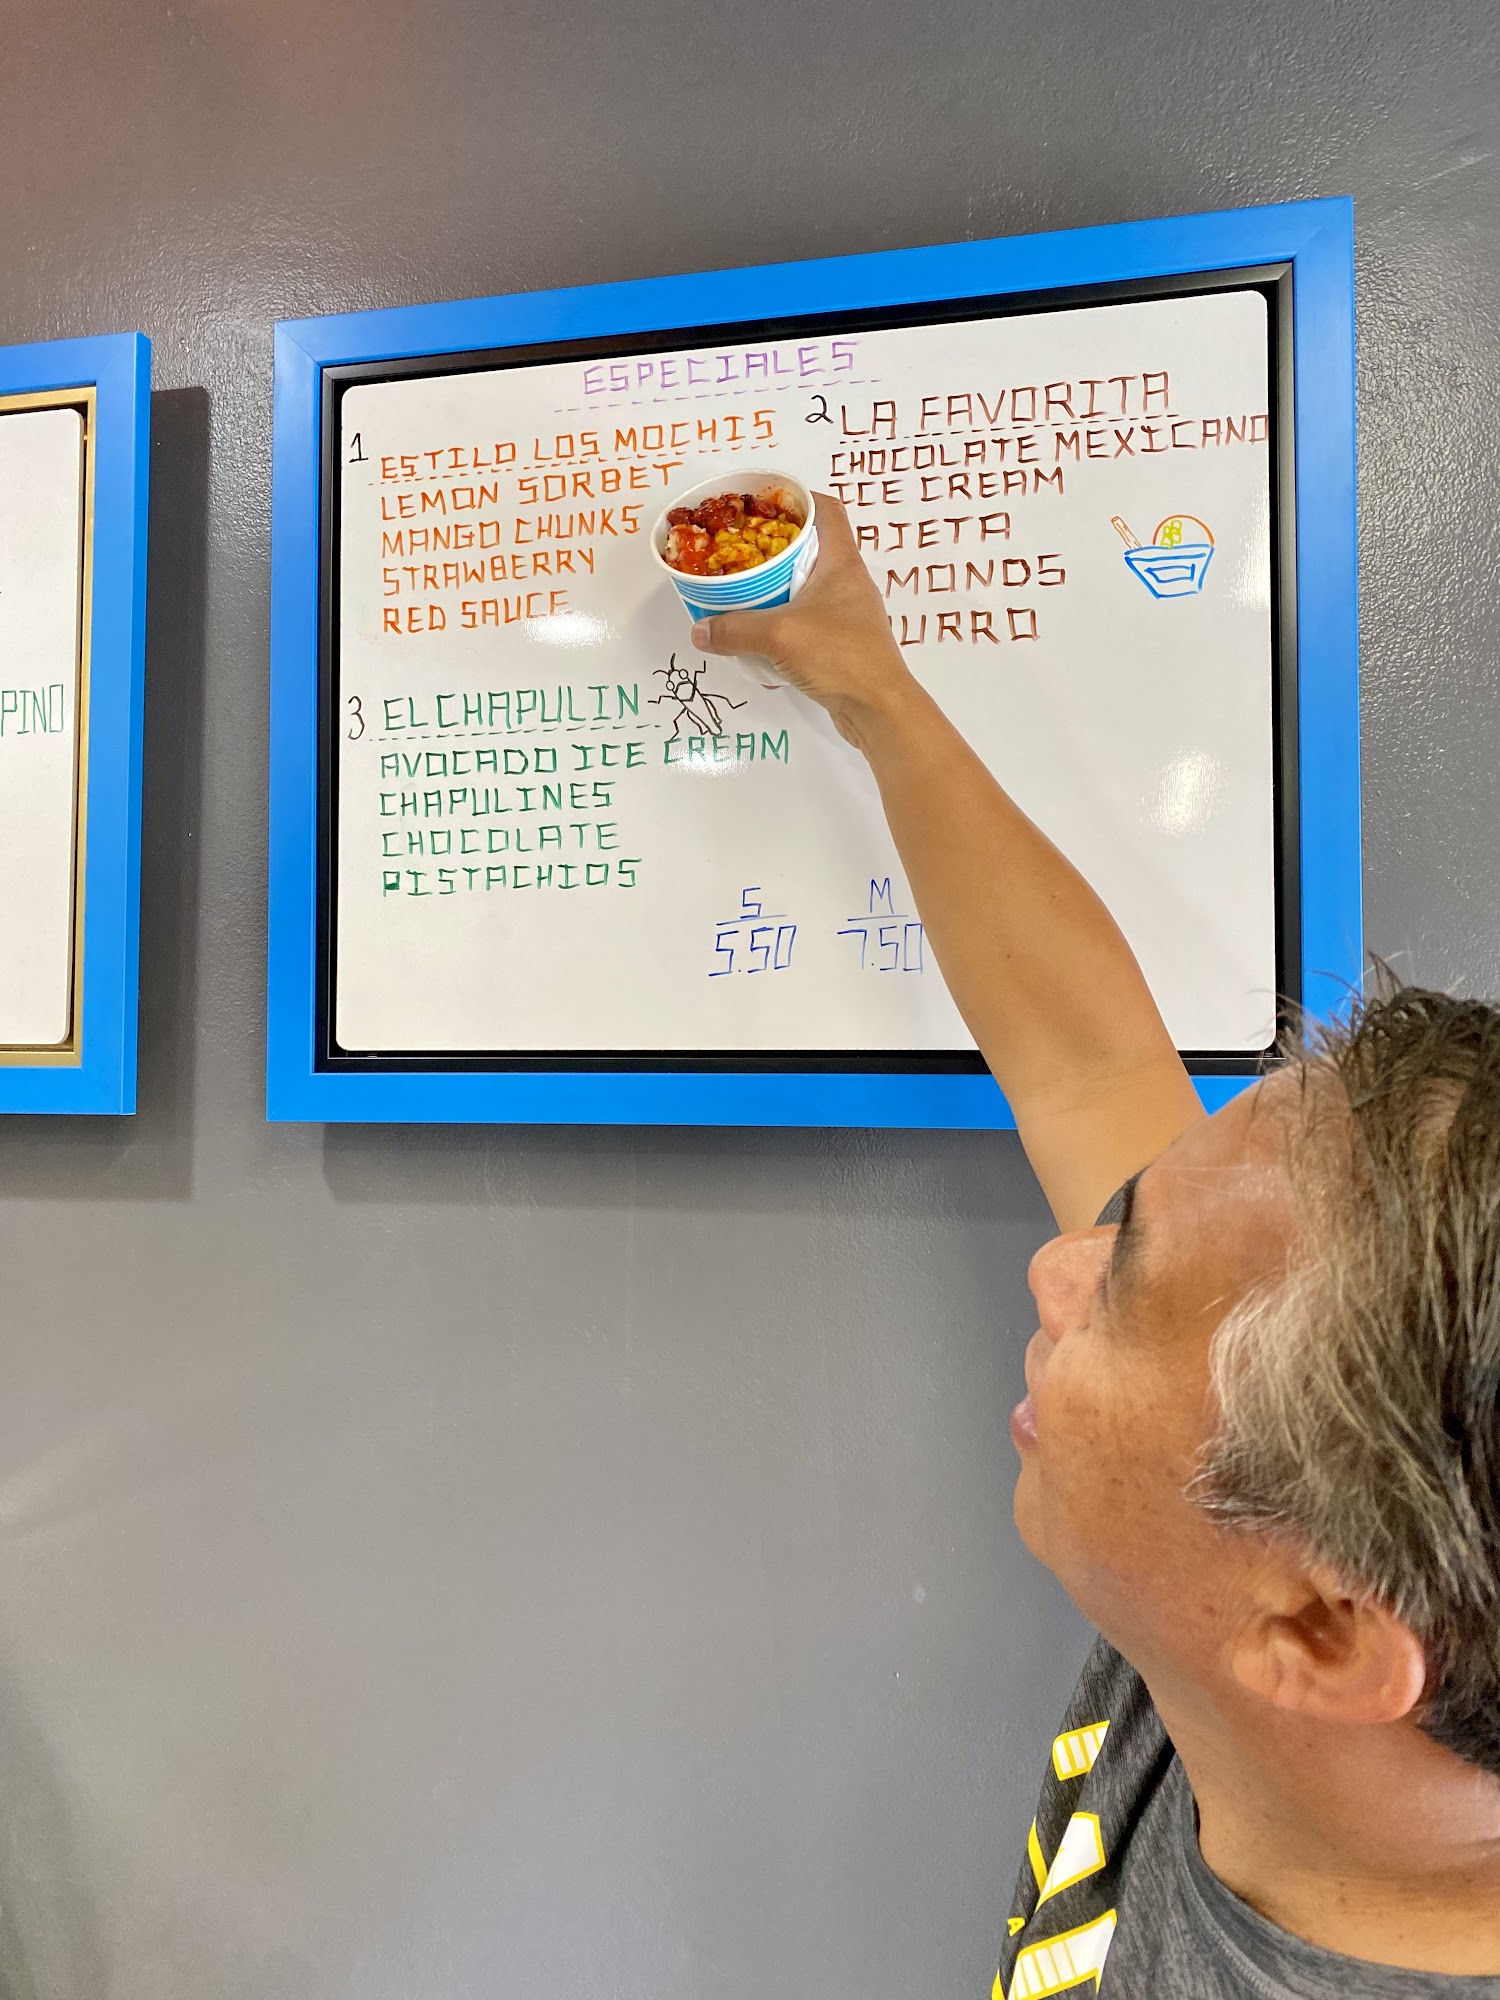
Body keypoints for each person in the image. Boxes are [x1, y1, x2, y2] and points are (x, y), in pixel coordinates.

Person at [692, 496, 1500, 1997]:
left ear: (1322, 1631)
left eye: (1123, 1286)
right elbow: (1082, 1058)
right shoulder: (1290, 1600)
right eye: (1122, 1223)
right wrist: (869, 684)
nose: (1057, 1266)